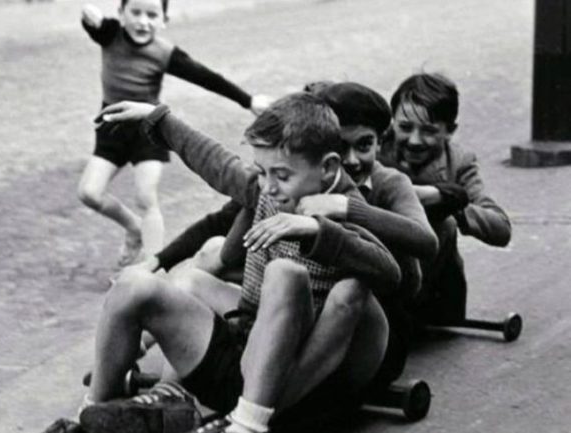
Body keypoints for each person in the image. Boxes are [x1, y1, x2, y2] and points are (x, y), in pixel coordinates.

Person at [78, 93, 401, 433]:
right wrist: (158, 118)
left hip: (304, 380)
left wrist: (319, 230)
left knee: (285, 273)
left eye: (282, 175)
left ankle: (247, 424)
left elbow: (391, 273)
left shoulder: (344, 207)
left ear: (328, 168)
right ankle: (92, 411)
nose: (269, 187)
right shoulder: (267, 188)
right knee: (136, 284)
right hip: (247, 352)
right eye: (262, 173)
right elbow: (215, 162)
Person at [139, 81, 439, 391]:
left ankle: (269, 397)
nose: (351, 159)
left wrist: (347, 208)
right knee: (213, 250)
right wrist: (161, 258)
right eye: (341, 147)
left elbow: (423, 247)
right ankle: (155, 359)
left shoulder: (386, 183)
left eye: (363, 145)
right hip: (303, 310)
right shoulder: (288, 180)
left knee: (345, 288)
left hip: (366, 324)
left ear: (380, 143)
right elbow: (222, 205)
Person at [77, 0, 270, 266]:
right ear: (121, 13)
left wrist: (247, 100)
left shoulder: (164, 53)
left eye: (152, 15)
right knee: (89, 193)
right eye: (135, 12)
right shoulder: (110, 34)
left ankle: (150, 269)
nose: (143, 21)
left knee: (146, 197)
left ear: (164, 20)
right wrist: (89, 19)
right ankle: (134, 228)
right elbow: (95, 25)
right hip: (111, 127)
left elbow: (205, 77)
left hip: (147, 129)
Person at [379, 72, 511, 325]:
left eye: (429, 131)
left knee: (445, 223)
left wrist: (447, 203)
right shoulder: (373, 146)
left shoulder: (459, 162)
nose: (415, 141)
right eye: (405, 127)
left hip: (430, 289)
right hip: (382, 267)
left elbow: (501, 229)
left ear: (450, 131)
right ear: (392, 121)